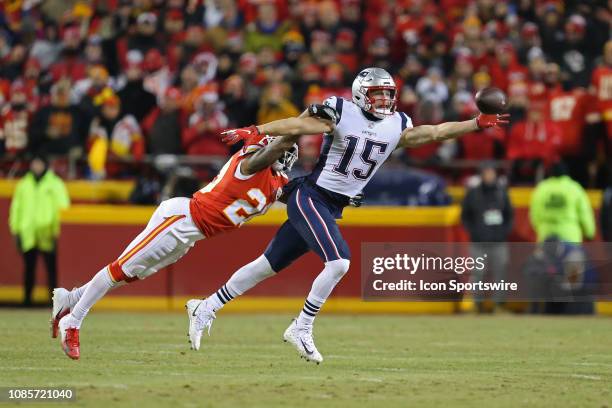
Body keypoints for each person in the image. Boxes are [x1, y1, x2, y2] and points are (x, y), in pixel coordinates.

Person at [188, 67, 509, 363]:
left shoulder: (397, 124)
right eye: (377, 94)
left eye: (388, 93)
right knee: (339, 262)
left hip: (332, 204)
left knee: (266, 265)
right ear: (360, 93)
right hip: (310, 195)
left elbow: (437, 132)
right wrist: (258, 130)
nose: (384, 100)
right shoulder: (340, 111)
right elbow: (299, 125)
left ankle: (206, 306)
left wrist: (475, 123)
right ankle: (301, 326)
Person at [51, 132, 300, 360]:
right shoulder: (249, 164)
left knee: (130, 274)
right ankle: (73, 321)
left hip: (191, 235)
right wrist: (297, 126)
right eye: (281, 150)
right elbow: (276, 147)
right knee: (120, 269)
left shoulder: (277, 183)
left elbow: (299, 190)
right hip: (180, 220)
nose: (285, 156)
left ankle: (69, 298)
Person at [9, 156, 70, 306]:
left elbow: (63, 208)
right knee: (29, 268)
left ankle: (55, 303)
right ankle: (27, 299)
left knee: (52, 269)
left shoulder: (55, 184)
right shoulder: (24, 184)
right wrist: (15, 229)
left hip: (48, 233)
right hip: (28, 232)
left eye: (39, 163)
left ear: (45, 165)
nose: (36, 166)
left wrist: (58, 231)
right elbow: (16, 208)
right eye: (34, 163)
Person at [461, 163, 514, 312]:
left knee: (501, 273)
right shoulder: (473, 193)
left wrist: (503, 232)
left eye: (491, 173)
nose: (489, 176)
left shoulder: (502, 192)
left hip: (499, 241)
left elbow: (509, 215)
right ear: (481, 175)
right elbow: (465, 216)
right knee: (478, 273)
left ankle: (499, 306)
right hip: (478, 241)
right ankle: (477, 305)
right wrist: (474, 232)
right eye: (486, 173)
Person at [529, 161, 596, 243]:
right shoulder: (574, 188)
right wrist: (589, 233)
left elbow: (535, 216)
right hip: (570, 238)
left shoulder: (541, 189)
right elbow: (584, 213)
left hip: (546, 238)